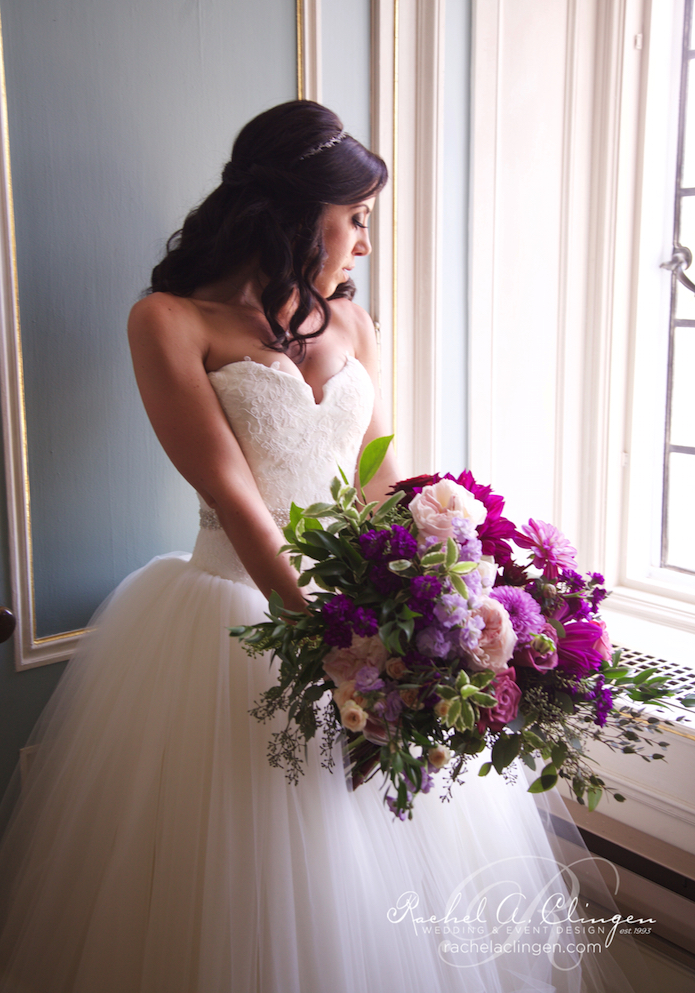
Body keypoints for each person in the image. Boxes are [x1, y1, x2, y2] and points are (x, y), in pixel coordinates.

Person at [0, 101, 645, 993]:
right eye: (358, 219)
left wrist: (441, 599)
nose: (364, 245)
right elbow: (237, 500)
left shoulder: (354, 324)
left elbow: (378, 488)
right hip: (235, 615)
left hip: (357, 610)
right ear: (301, 212)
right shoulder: (168, 321)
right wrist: (330, 643)